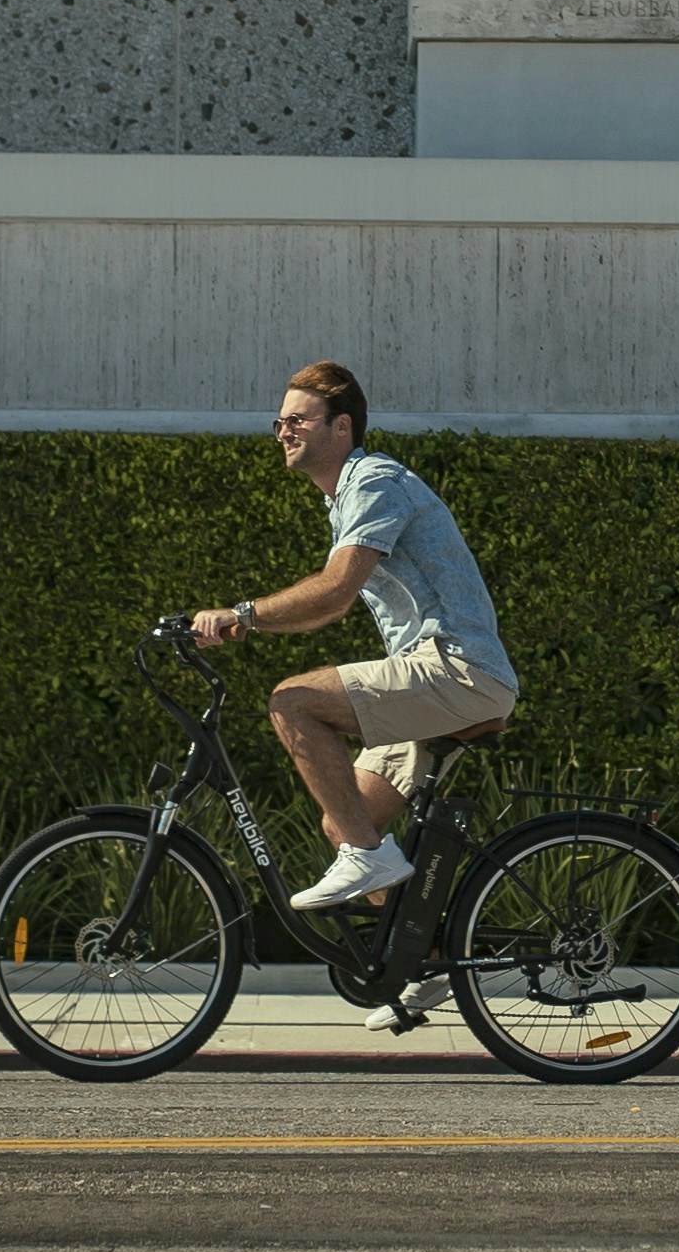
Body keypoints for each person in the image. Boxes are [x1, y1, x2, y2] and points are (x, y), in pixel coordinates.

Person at [192, 363, 520, 968]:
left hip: (457, 665)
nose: (282, 432)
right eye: (279, 421)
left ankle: (373, 864)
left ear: (341, 427)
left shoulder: (373, 480)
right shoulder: (344, 498)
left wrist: (241, 615)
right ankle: (422, 965)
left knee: (292, 703)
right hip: (434, 671)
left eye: (297, 420)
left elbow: (336, 592)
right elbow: (331, 603)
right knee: (347, 822)